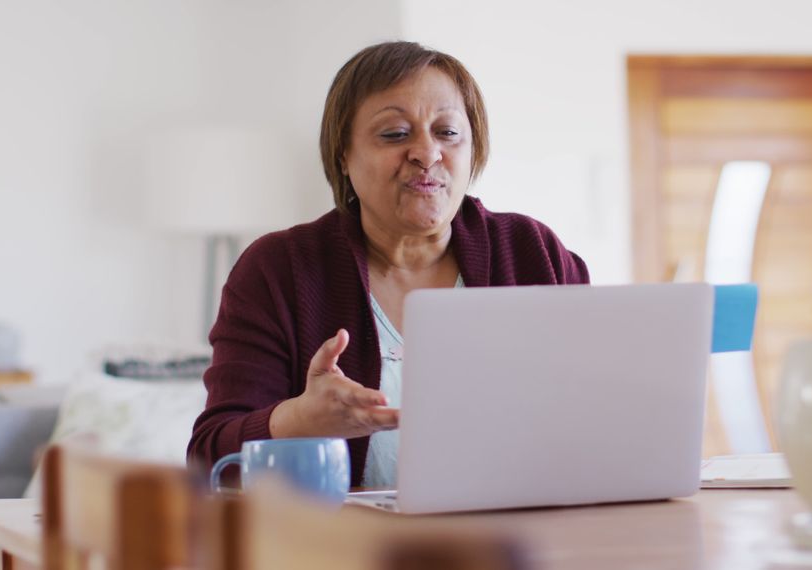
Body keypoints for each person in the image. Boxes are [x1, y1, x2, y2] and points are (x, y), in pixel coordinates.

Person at [187, 41, 590, 488]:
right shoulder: (277, 270)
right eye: (395, 134)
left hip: (520, 539)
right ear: (343, 154)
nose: (426, 152)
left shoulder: (533, 251)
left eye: (448, 132)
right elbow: (209, 460)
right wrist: (298, 419)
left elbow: (599, 411)